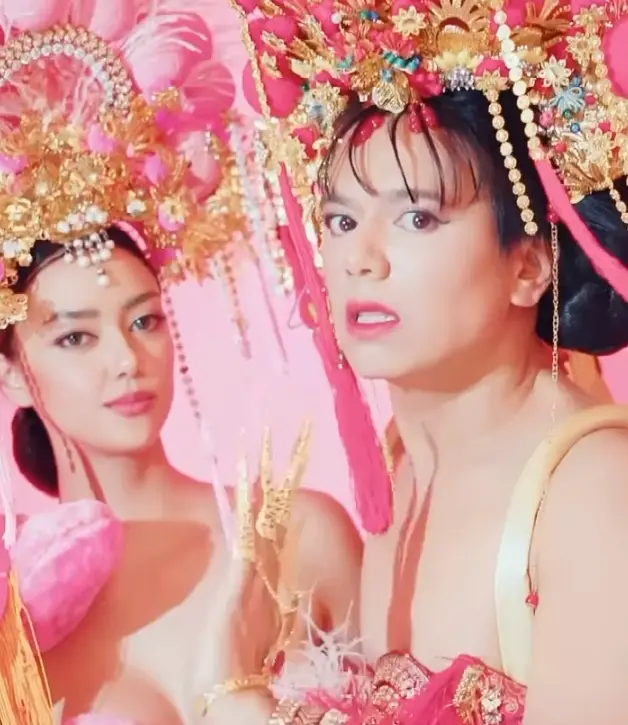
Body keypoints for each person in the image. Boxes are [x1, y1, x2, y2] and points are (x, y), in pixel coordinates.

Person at [216, 0, 628, 723]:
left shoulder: (595, 492)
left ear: (529, 264)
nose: (361, 259)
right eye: (342, 219)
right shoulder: (403, 462)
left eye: (417, 218)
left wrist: (238, 700)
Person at [0, 4, 363, 724]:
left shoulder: (302, 535)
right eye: (74, 338)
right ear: (13, 370)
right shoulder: (19, 620)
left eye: (144, 321)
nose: (125, 360)